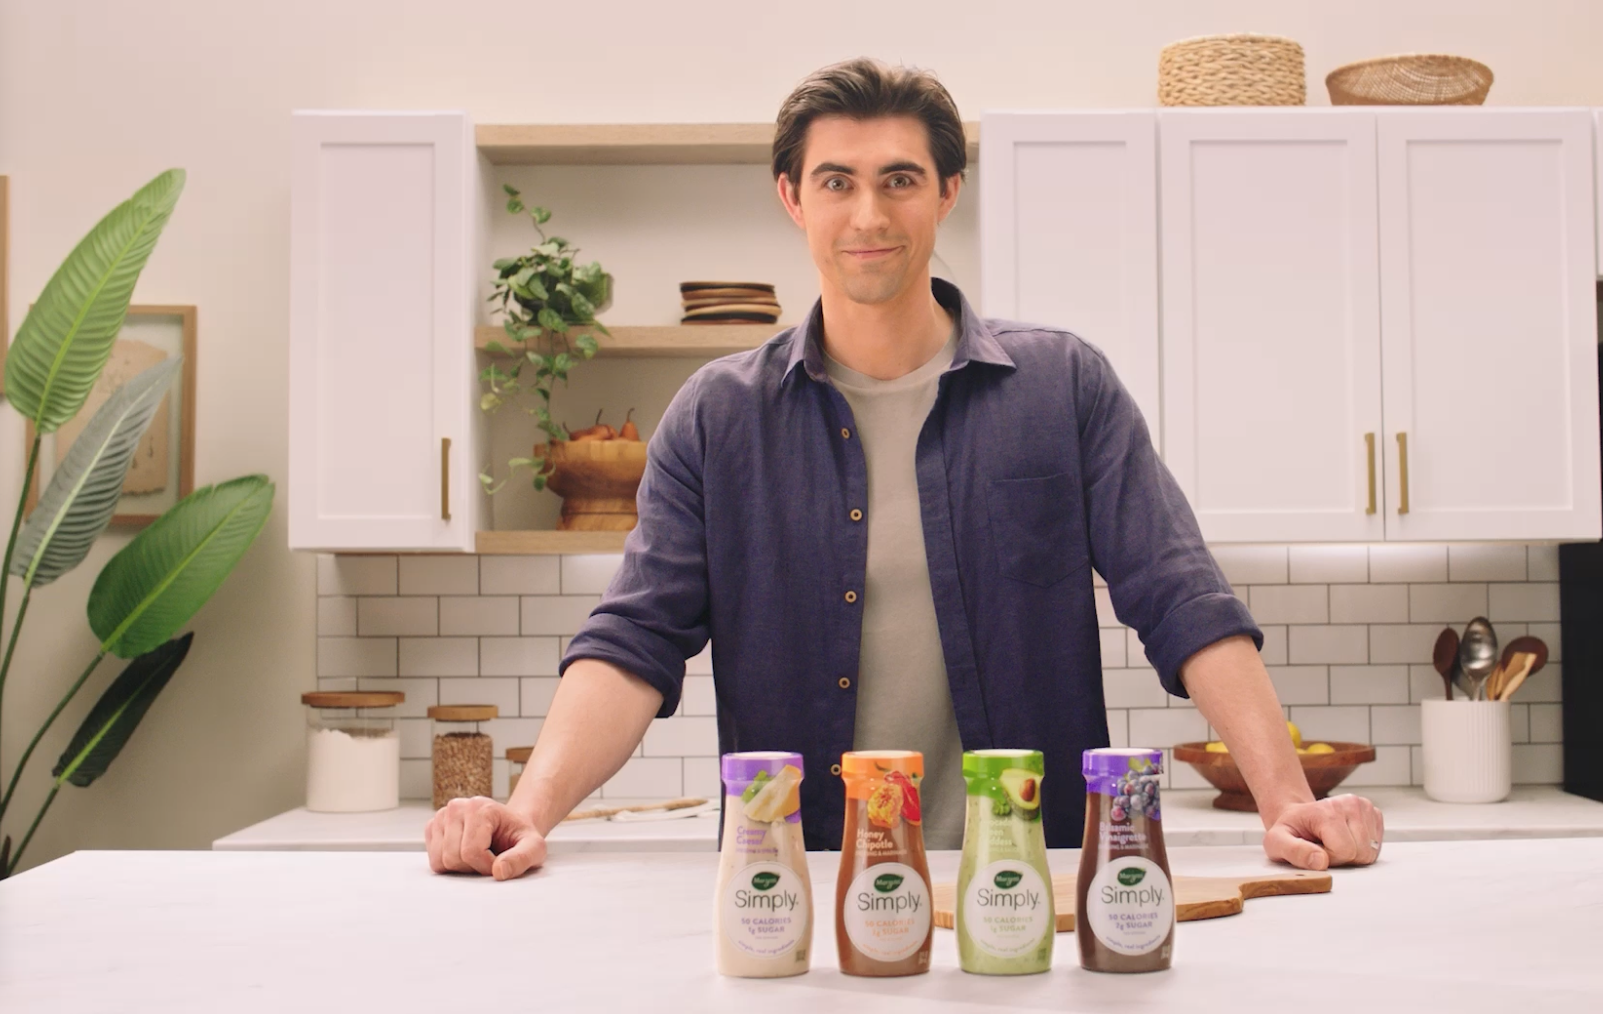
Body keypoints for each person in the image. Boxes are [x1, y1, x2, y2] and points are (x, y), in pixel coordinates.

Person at [425, 57, 1384, 881]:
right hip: (797, 884)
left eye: (899, 179)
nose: (868, 213)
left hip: (1032, 875)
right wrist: (532, 806)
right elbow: (633, 640)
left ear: (947, 192)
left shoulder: (1062, 386)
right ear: (791, 197)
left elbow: (1181, 596)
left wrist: (1285, 796)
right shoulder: (717, 418)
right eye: (836, 181)